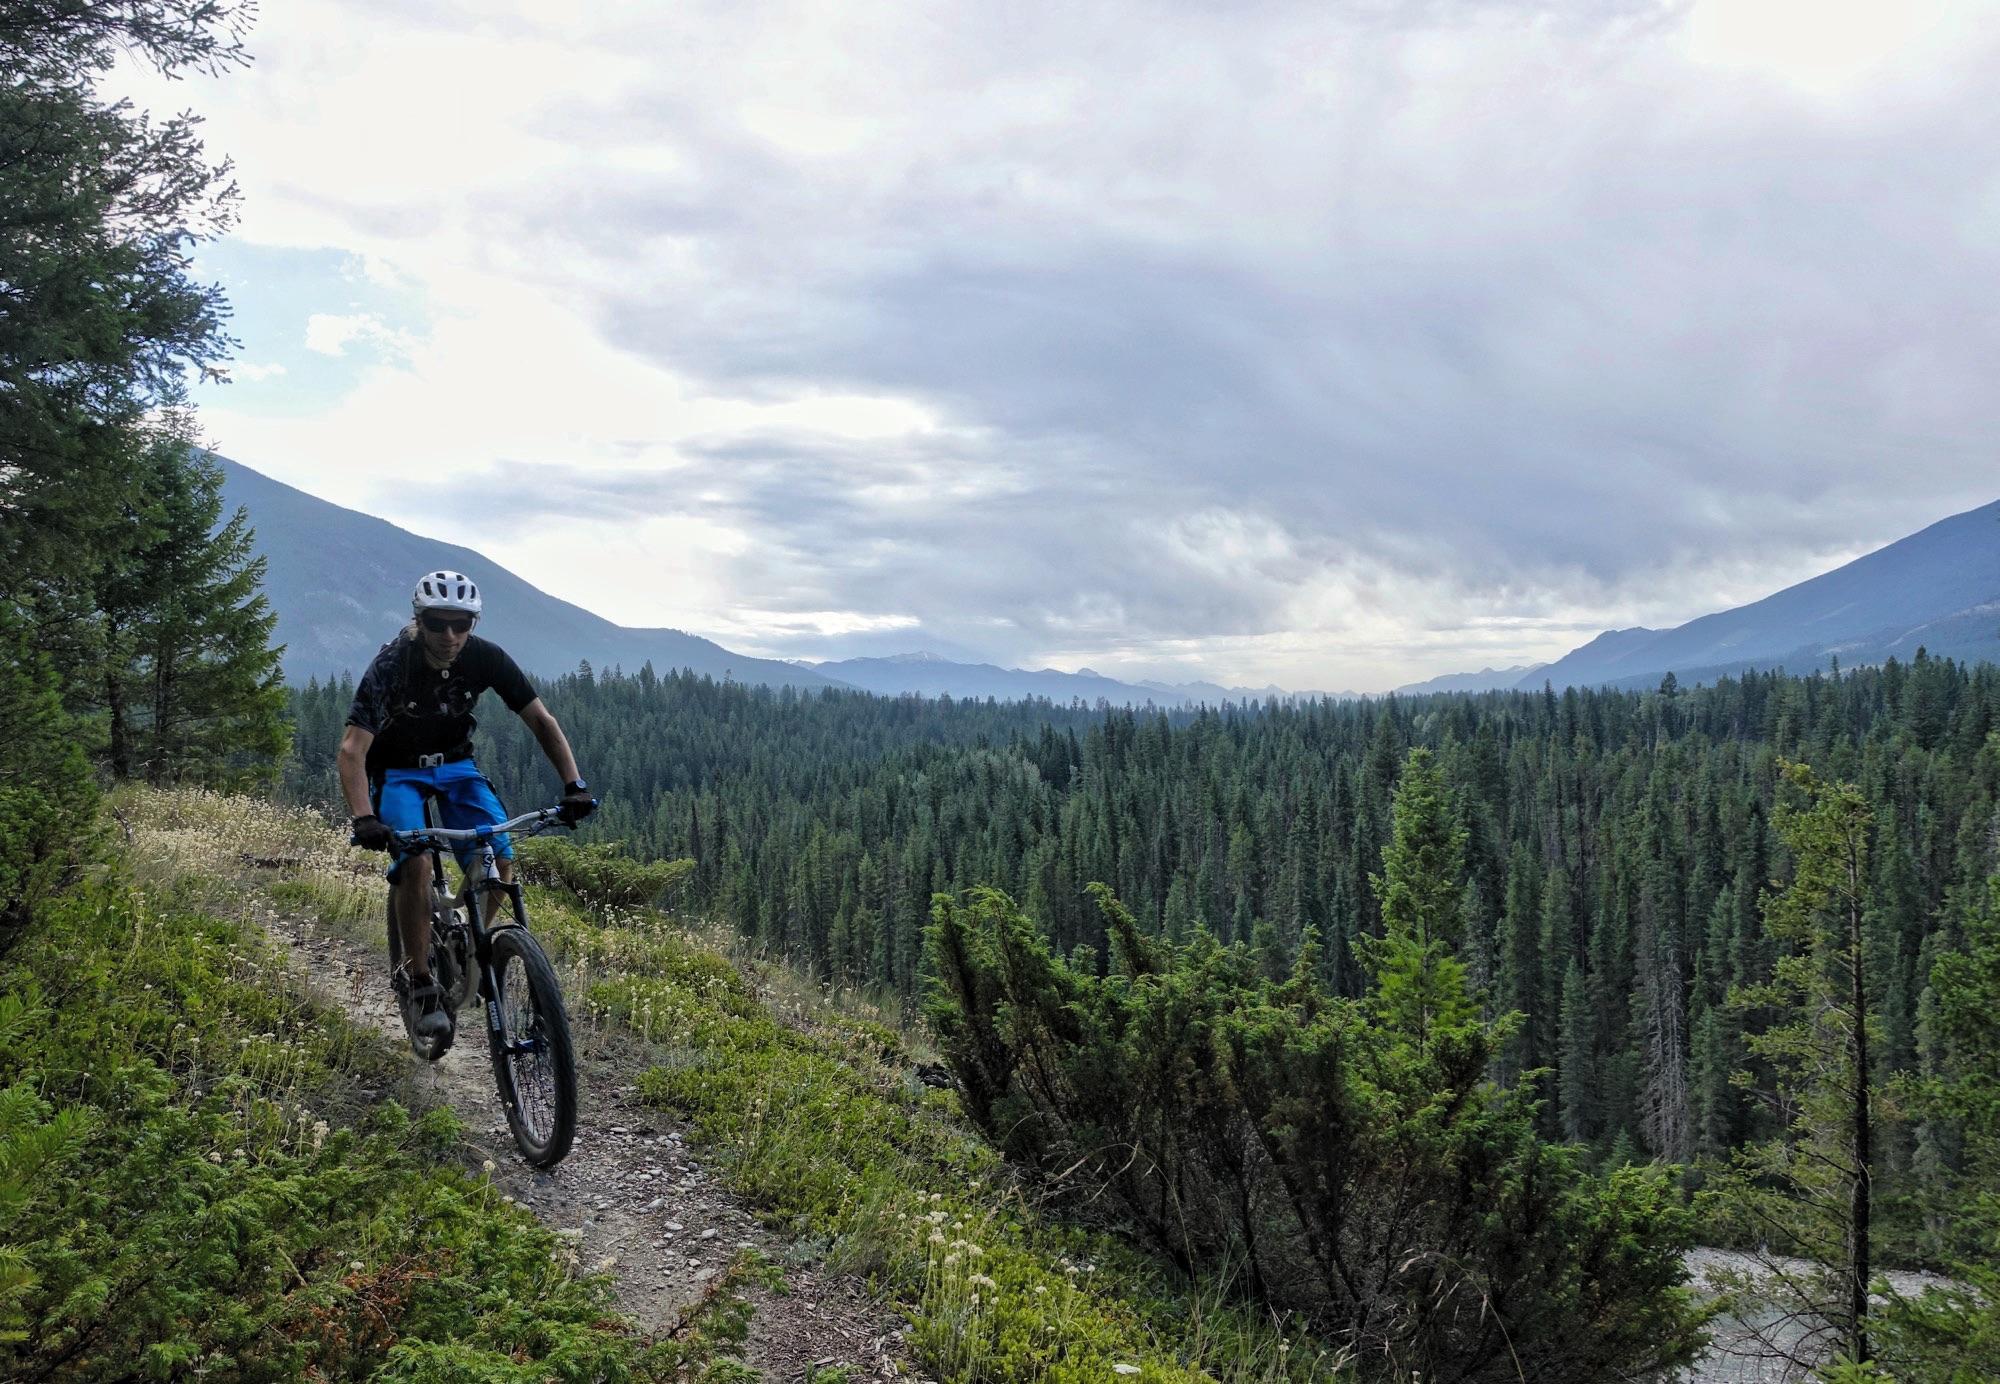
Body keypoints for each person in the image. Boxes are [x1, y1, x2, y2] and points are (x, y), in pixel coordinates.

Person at [338, 569, 595, 1045]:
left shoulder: (485, 657)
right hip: (397, 772)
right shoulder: (392, 665)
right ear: (419, 620)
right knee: (414, 862)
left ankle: (477, 944)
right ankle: (420, 984)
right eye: (438, 623)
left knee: (500, 856)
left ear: (473, 623)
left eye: (462, 624)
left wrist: (574, 784)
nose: (450, 635)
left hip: (457, 767)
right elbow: (353, 750)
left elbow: (540, 719)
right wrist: (364, 818)